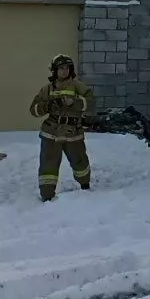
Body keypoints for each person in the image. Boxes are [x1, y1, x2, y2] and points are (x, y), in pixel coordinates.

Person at [29, 54, 95, 202]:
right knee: (48, 165)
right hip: (51, 133)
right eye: (61, 68)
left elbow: (91, 104)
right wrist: (48, 105)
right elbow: (34, 110)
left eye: (67, 68)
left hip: (73, 132)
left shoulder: (79, 87)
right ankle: (47, 196)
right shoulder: (46, 89)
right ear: (54, 70)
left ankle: (85, 186)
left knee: (80, 161)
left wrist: (75, 102)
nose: (64, 71)